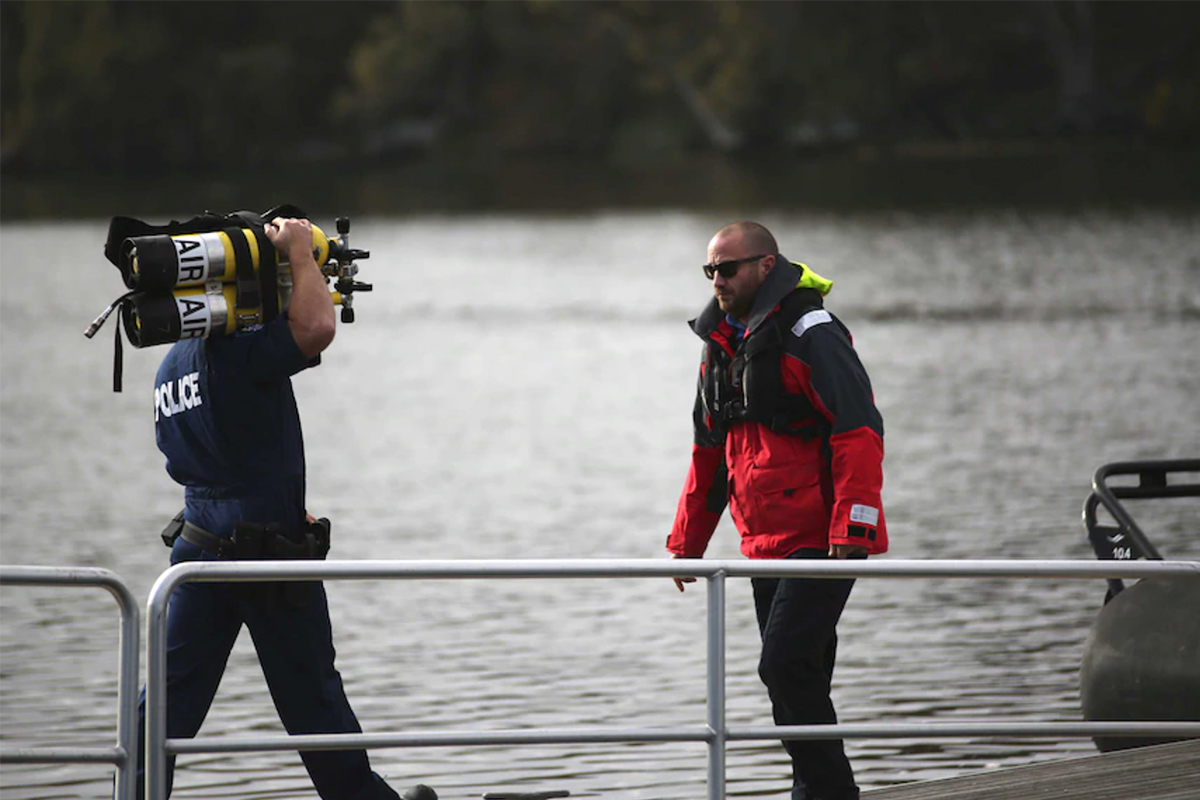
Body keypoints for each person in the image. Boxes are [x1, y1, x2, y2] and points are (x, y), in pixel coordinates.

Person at [131, 217, 435, 800]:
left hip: (195, 554)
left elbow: (218, 456)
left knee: (160, 712)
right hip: (266, 557)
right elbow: (318, 325)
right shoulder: (237, 352)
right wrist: (298, 247)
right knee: (317, 712)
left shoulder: (173, 363)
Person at [667, 221, 886, 800]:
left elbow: (859, 431)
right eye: (710, 269)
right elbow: (707, 455)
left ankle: (834, 792)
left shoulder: (810, 330)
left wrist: (854, 527)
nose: (718, 279)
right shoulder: (719, 346)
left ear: (767, 265)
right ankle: (810, 792)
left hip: (822, 536)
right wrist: (686, 544)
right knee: (801, 674)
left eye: (729, 267)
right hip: (762, 541)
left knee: (783, 665)